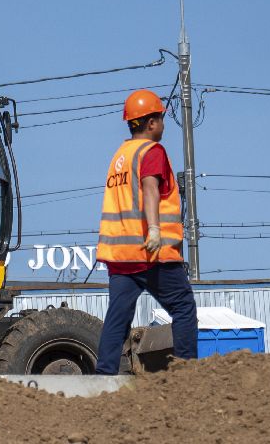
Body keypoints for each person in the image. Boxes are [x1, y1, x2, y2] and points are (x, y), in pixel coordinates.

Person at [95, 88, 198, 373]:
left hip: (120, 254)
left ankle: (104, 374)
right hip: (152, 253)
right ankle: (188, 372)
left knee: (117, 317)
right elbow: (150, 188)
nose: (164, 125)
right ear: (151, 123)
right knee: (184, 308)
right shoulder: (152, 152)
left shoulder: (121, 156)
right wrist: (154, 229)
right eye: (162, 119)